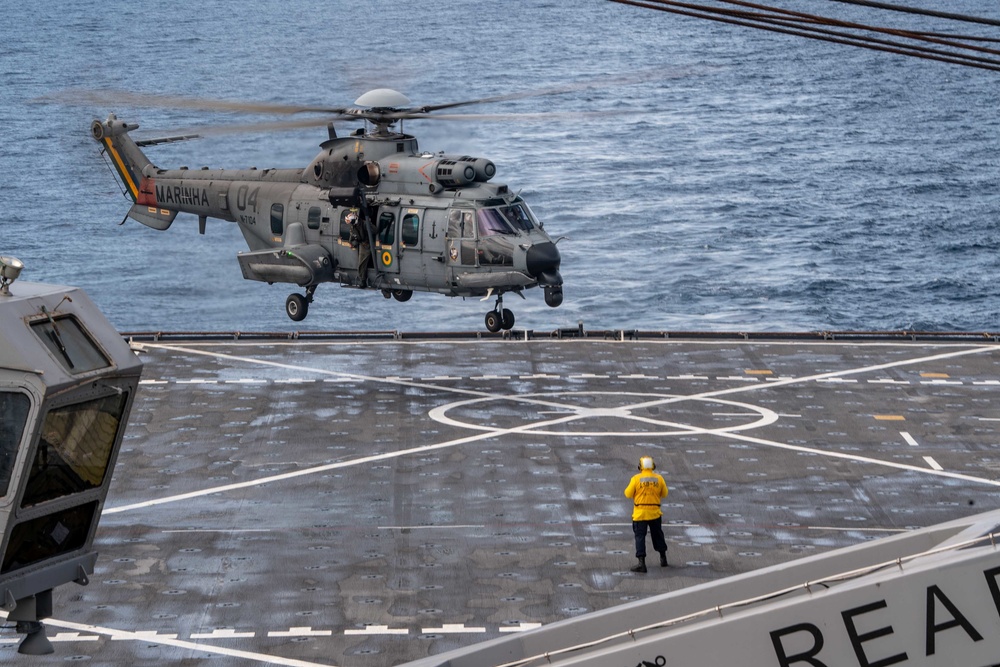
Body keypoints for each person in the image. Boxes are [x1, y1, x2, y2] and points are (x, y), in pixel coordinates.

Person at [623, 456, 669, 573]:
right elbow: (665, 493)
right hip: (655, 512)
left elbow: (628, 494)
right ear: (653, 466)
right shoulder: (659, 478)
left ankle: (641, 563)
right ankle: (663, 557)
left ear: (640, 467)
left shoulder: (636, 479)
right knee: (658, 535)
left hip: (640, 514)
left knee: (640, 537)